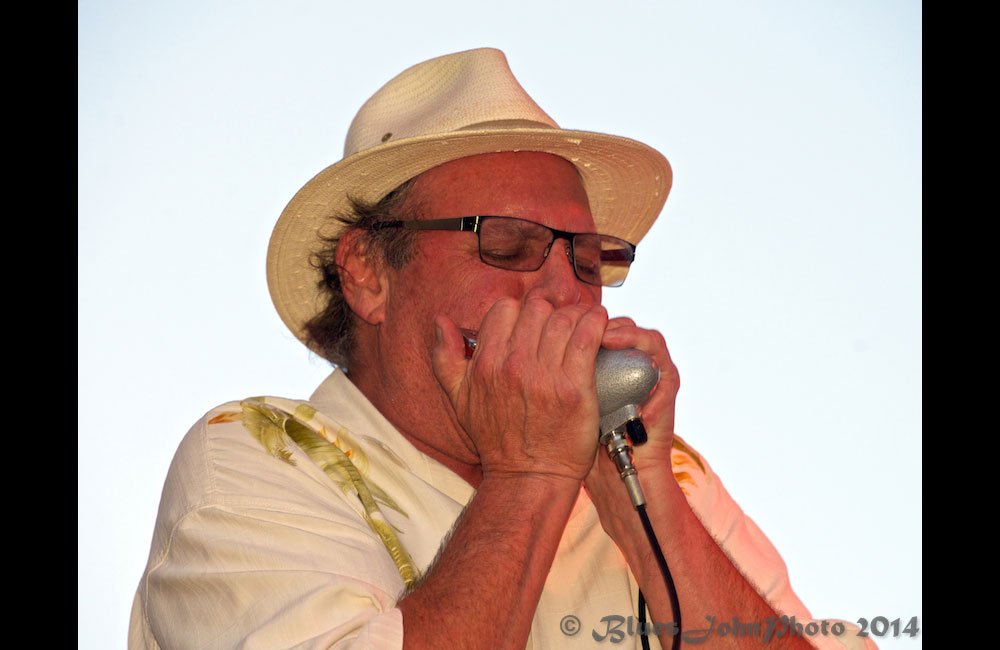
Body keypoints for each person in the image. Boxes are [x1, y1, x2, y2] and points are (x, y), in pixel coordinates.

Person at [129, 48, 876, 650]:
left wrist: (647, 506)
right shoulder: (256, 458)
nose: (566, 293)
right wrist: (530, 473)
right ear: (368, 273)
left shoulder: (669, 477)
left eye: (588, 259)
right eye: (509, 246)